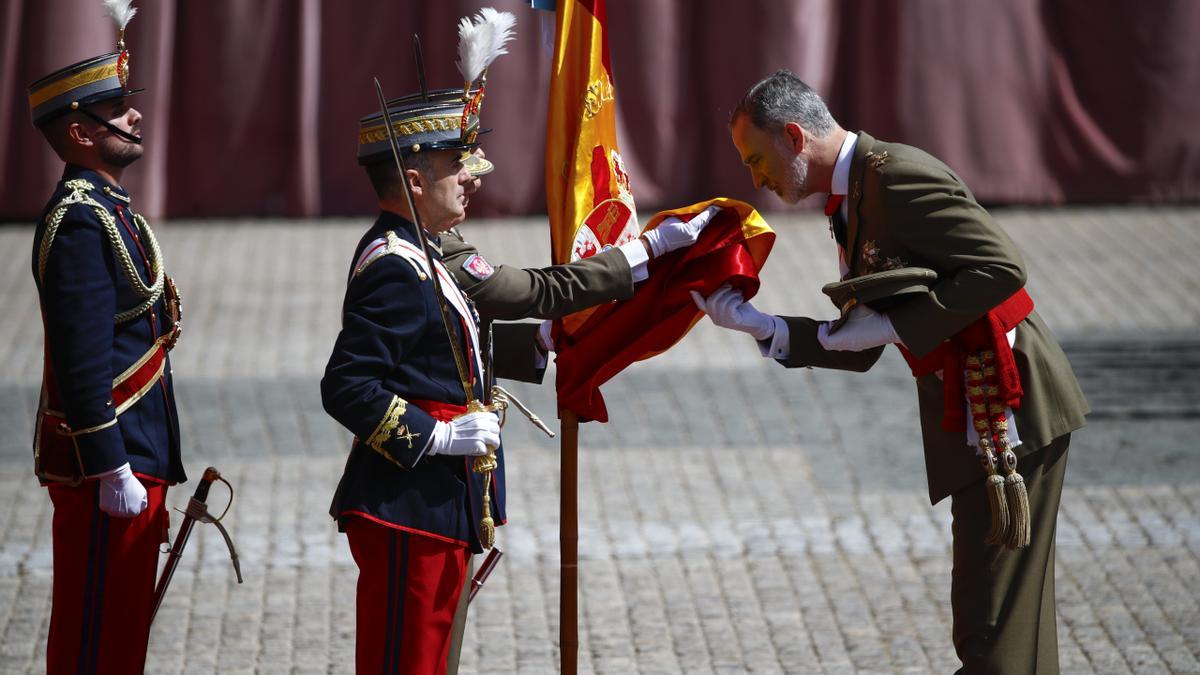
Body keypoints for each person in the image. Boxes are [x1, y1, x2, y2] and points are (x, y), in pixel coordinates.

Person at [694, 69, 1088, 673]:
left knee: (994, 629)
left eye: (756, 159)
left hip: (1009, 405)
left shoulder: (895, 176)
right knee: (1002, 628)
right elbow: (862, 339)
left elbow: (1002, 268)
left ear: (794, 137)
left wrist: (898, 326)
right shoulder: (852, 198)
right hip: (973, 413)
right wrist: (761, 326)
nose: (756, 180)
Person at [321, 86, 516, 672]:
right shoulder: (395, 266)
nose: (469, 177)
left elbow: (441, 345)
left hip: (435, 503)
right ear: (413, 181)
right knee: (405, 660)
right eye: (454, 165)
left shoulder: (422, 248)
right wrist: (435, 437)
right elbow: (348, 384)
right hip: (407, 503)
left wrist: (539, 344)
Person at [28, 5, 187, 672]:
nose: (135, 117)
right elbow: (81, 355)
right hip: (109, 464)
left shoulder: (109, 209)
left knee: (120, 637)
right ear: (78, 132)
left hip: (138, 453)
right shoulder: (80, 223)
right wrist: (107, 464)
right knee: (93, 637)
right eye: (117, 109)